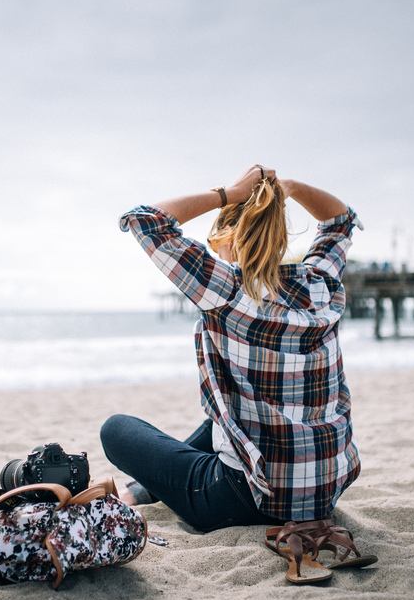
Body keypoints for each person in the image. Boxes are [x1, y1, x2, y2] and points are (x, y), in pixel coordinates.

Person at [102, 165, 362, 532]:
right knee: (221, 421)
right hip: (324, 492)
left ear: (230, 237)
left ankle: (147, 489)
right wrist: (286, 188)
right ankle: (143, 490)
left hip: (242, 498)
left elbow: (146, 221)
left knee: (115, 430)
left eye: (214, 242)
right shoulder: (319, 285)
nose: (214, 251)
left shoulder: (225, 288)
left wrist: (230, 193)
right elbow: (341, 221)